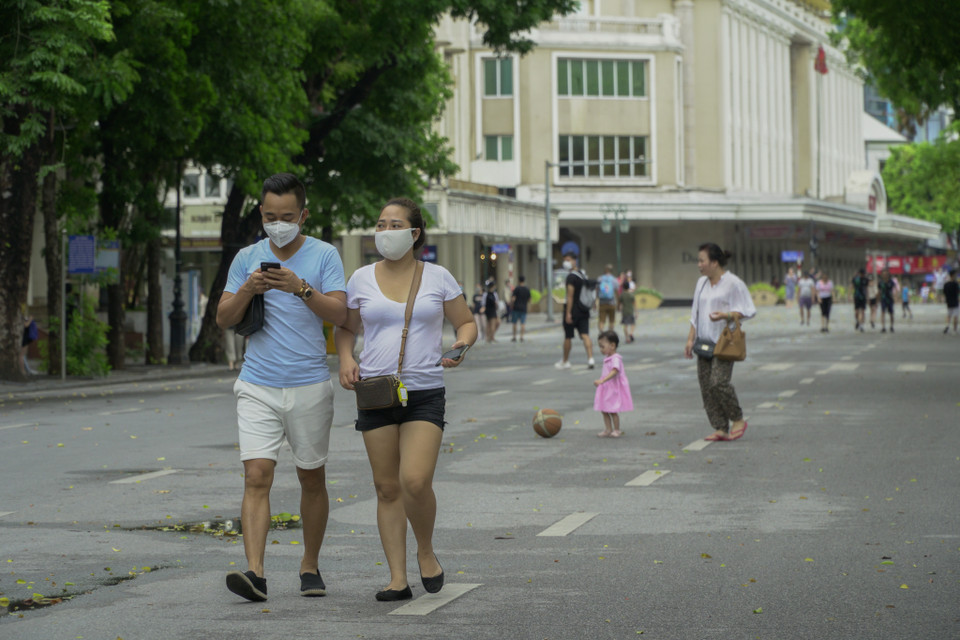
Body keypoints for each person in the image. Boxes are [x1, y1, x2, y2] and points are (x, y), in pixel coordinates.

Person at [335, 197, 477, 602]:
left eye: (394, 225)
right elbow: (346, 328)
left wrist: (460, 346)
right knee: (386, 487)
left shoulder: (438, 277)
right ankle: (397, 578)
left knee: (414, 480)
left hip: (425, 389)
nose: (384, 232)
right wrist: (346, 358)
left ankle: (426, 550)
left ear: (414, 233)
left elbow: (465, 322)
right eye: (379, 224)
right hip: (376, 392)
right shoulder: (361, 278)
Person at [217, 173, 347, 602]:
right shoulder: (246, 258)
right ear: (261, 213)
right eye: (270, 216)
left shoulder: (325, 255)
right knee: (256, 475)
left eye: (287, 216)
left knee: (311, 477)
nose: (278, 223)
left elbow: (341, 314)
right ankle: (255, 572)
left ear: (303, 214)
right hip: (257, 383)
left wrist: (300, 287)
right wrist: (249, 289)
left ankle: (309, 565)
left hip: (309, 383)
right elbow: (224, 317)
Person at [684, 243, 756, 442]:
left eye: (702, 261)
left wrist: (727, 315)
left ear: (714, 263)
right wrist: (690, 339)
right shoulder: (701, 283)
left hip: (724, 342)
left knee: (718, 383)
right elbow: (695, 314)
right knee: (706, 387)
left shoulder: (733, 283)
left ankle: (738, 418)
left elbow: (749, 310)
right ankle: (720, 427)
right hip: (703, 342)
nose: (699, 264)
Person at [555, 249, 596, 370]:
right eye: (564, 260)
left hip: (573, 311)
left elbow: (570, 296)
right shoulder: (582, 275)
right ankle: (590, 358)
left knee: (568, 336)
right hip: (584, 309)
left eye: (568, 260)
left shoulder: (571, 277)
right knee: (585, 334)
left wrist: (568, 313)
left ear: (574, 261)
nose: (565, 263)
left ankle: (565, 360)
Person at [593, 330, 633, 438]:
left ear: (612, 345)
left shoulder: (616, 358)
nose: (601, 349)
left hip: (613, 388)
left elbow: (615, 370)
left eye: (602, 346)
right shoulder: (607, 358)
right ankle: (608, 429)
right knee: (604, 409)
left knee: (613, 410)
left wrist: (602, 380)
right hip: (606, 387)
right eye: (600, 347)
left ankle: (616, 429)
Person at [596, 264, 619, 332]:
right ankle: (610, 333)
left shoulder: (600, 278)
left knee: (601, 320)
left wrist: (596, 300)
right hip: (612, 303)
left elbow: (597, 290)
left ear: (605, 270)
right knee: (611, 320)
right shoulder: (614, 279)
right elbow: (617, 292)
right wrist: (618, 302)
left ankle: (601, 332)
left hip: (602, 302)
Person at [510, 275, 531, 342]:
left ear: (519, 280)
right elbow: (529, 299)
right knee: (522, 323)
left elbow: (513, 298)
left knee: (514, 323)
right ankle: (521, 337)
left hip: (516, 308)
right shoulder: (527, 289)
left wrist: (511, 304)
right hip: (523, 308)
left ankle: (514, 336)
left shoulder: (516, 289)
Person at [943, 269, 959, 334]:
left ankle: (947, 326)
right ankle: (954, 330)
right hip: (955, 302)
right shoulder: (955, 284)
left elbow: (944, 293)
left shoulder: (946, 284)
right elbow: (957, 292)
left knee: (949, 315)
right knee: (955, 316)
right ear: (953, 275)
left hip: (948, 302)